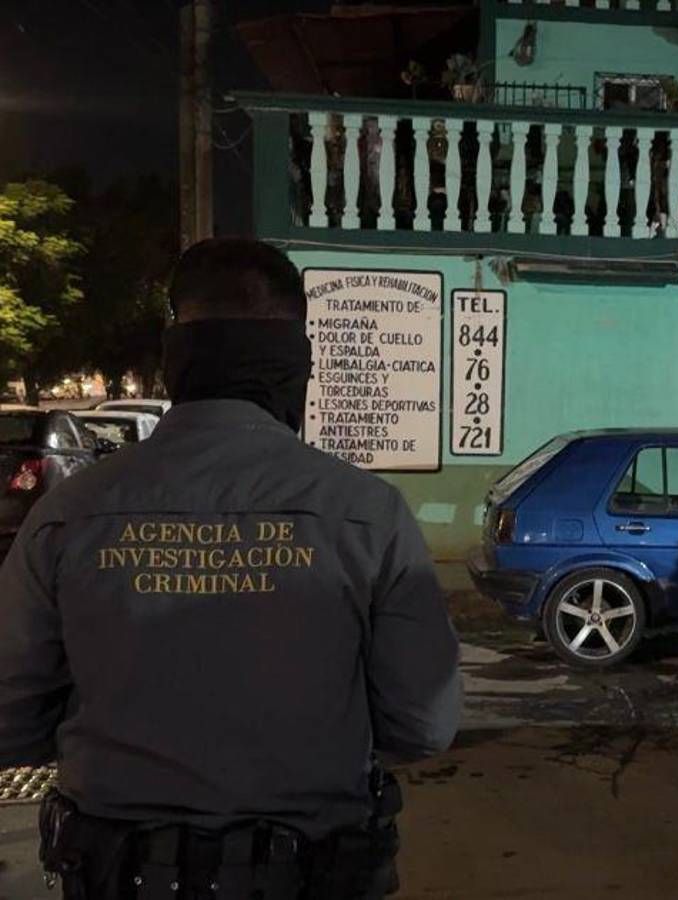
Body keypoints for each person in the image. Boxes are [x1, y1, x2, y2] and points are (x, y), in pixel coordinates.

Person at [0, 238, 462, 898]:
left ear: (176, 361)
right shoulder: (367, 516)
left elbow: (9, 719)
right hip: (311, 874)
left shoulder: (70, 514)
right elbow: (423, 723)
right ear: (296, 365)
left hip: (118, 874)